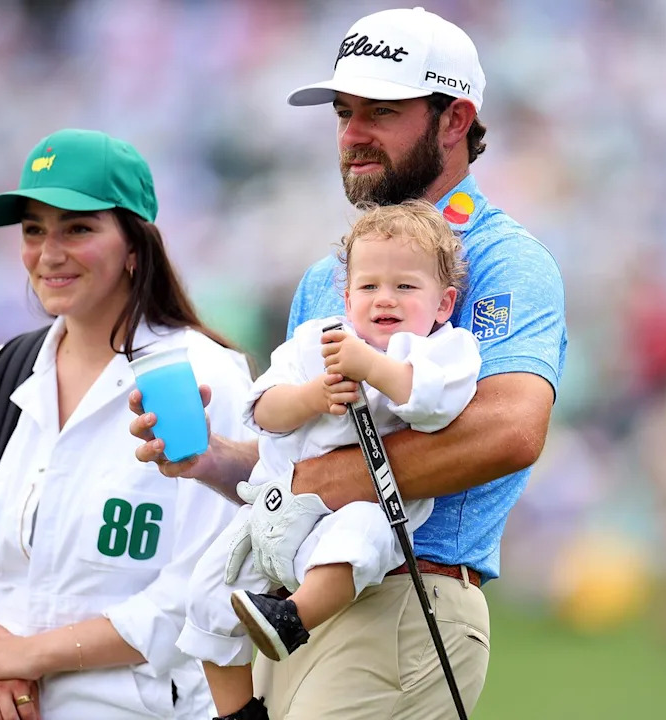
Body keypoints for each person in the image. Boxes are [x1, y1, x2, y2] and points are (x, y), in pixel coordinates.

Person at [130, 7, 567, 719]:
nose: (352, 135)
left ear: (454, 122)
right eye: (344, 112)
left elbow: (511, 430)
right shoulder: (326, 276)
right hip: (297, 603)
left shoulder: (503, 258)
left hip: (403, 600)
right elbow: (303, 463)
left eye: (380, 112)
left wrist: (315, 479)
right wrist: (215, 460)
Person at [0, 128, 254, 720]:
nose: (49, 253)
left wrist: (28, 658)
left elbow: (203, 590)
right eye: (34, 230)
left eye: (77, 228)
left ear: (136, 245)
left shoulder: (205, 377)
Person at [178, 201, 481, 719]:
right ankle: (235, 713)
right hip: (273, 509)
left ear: (443, 303)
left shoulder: (444, 351)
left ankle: (291, 617)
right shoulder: (316, 341)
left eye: (405, 287)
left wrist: (371, 366)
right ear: (346, 296)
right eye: (369, 287)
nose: (384, 298)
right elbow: (265, 409)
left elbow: (434, 405)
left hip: (357, 512)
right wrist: (313, 397)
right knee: (208, 593)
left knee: (360, 536)